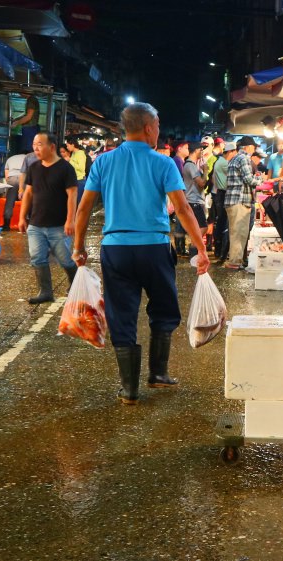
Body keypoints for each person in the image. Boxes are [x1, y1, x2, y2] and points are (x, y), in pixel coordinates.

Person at [72, 102, 208, 405]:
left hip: (116, 249)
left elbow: (84, 208)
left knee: (122, 314)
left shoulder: (104, 162)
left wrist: (78, 246)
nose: (159, 130)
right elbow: (183, 209)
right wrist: (200, 246)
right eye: (157, 124)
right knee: (164, 308)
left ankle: (130, 389)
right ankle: (158, 373)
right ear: (148, 127)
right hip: (154, 248)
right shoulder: (162, 164)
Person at [18, 132, 78, 304]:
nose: (35, 148)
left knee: (65, 259)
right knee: (37, 258)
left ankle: (74, 284)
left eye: (40, 144)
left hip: (58, 225)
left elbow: (72, 194)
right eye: (34, 144)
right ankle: (45, 292)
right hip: (36, 224)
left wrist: (70, 220)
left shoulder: (66, 168)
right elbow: (28, 193)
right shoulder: (34, 168)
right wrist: (22, 217)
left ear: (52, 147)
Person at [223, 136, 264, 268]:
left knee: (238, 232)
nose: (254, 150)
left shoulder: (236, 158)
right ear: (247, 147)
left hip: (235, 200)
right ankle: (234, 262)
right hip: (239, 201)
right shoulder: (244, 158)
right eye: (253, 147)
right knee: (238, 233)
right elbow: (249, 180)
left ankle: (236, 261)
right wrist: (261, 180)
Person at [180, 143, 209, 257]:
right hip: (194, 201)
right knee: (203, 227)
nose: (202, 152)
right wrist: (206, 171)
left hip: (194, 200)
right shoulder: (190, 166)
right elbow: (201, 183)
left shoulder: (190, 165)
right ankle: (193, 248)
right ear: (196, 150)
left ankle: (194, 250)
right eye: (201, 149)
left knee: (198, 227)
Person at [210, 141, 237, 263]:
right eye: (234, 152)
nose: (235, 156)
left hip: (219, 194)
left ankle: (219, 251)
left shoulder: (220, 161)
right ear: (230, 152)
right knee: (224, 224)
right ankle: (221, 252)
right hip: (223, 194)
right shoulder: (225, 163)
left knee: (221, 223)